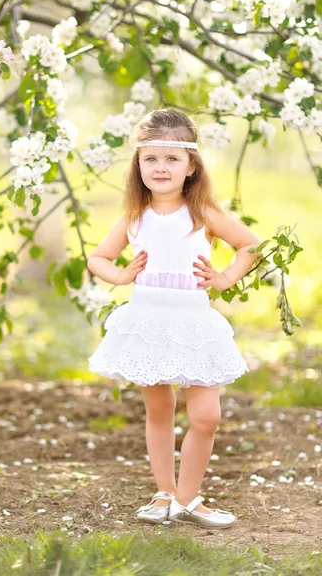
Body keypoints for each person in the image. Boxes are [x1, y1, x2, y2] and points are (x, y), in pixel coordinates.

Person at [87, 108, 261, 529]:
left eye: (171, 159)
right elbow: (97, 258)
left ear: (191, 166)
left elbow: (250, 245)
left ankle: (189, 498)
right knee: (159, 409)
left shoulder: (202, 213)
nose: (160, 167)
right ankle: (165, 493)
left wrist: (223, 279)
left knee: (206, 416)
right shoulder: (134, 215)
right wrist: (121, 275)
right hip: (149, 319)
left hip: (194, 321)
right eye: (151, 159)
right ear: (138, 164)